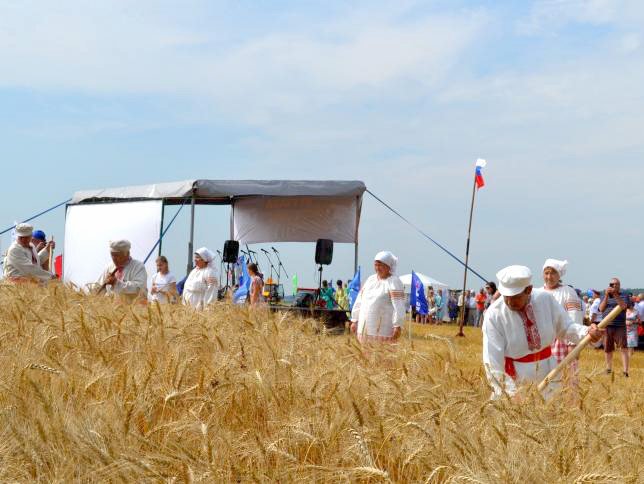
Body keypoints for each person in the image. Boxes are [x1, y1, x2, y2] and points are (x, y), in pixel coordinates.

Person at [482, 265, 602, 400]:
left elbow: (566, 328)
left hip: (549, 372)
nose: (509, 302)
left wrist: (586, 332)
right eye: (506, 296)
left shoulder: (545, 299)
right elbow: (492, 363)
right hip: (515, 379)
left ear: (528, 289)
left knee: (551, 415)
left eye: (515, 296)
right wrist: (510, 393)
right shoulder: (493, 315)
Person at [536, 259, 583, 385]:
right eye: (546, 273)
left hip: (561, 341)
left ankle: (570, 404)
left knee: (567, 379)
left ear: (559, 275)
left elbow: (574, 318)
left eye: (553, 273)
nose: (549, 276)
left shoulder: (567, 292)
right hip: (542, 342)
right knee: (543, 378)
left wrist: (573, 344)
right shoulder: (537, 292)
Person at [350, 251, 406, 343]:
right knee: (365, 355)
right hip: (364, 329)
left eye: (381, 265)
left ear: (388, 266)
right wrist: (354, 320)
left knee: (382, 356)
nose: (377, 268)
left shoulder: (394, 282)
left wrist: (397, 325)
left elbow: (398, 306)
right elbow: (360, 300)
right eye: (376, 265)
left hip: (384, 331)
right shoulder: (370, 280)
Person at [599, 278, 630, 376]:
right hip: (607, 325)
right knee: (608, 348)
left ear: (619, 285)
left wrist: (616, 295)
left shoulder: (624, 295)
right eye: (612, 284)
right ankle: (608, 370)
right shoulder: (604, 295)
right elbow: (601, 308)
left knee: (623, 348)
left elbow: (624, 306)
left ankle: (625, 372)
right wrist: (607, 296)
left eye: (616, 284)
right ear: (609, 285)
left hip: (620, 325)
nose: (614, 286)